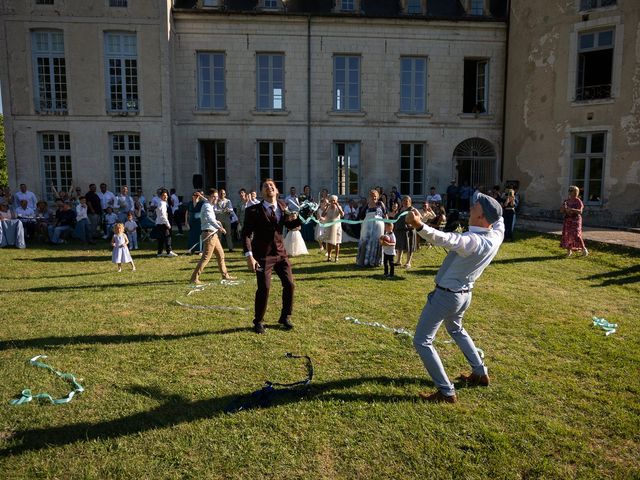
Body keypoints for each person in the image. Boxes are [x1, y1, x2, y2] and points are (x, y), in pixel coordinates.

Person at [405, 192, 504, 403]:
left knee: (422, 341)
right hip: (463, 296)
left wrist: (419, 225)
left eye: (476, 206)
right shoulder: (496, 234)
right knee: (456, 329)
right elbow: (500, 219)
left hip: (446, 297)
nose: (471, 206)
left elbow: (445, 238)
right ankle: (480, 372)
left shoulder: (473, 241)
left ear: (482, 217)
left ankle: (446, 391)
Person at [242, 178, 303, 334]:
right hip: (262, 256)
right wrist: (249, 255)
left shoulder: (283, 206)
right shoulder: (253, 211)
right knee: (264, 288)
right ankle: (258, 321)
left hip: (281, 253)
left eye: (272, 186)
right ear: (262, 192)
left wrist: (297, 220)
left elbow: (289, 226)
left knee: (289, 284)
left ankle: (285, 317)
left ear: (276, 191)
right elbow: (246, 235)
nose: (269, 187)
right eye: (265, 186)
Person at [190, 189, 235, 284]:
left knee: (221, 254)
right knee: (206, 257)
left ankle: (225, 275)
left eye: (216, 197)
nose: (216, 198)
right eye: (214, 197)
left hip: (213, 234)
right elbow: (210, 219)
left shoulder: (208, 204)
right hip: (209, 234)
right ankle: (194, 278)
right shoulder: (207, 206)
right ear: (210, 197)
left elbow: (206, 200)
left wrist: (217, 222)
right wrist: (220, 228)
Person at [356, 189, 387, 267]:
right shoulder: (367, 205)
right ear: (369, 197)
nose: (374, 198)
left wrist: (387, 224)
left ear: (378, 196)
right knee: (366, 241)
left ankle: (376, 261)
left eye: (375, 196)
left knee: (377, 241)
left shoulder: (380, 204)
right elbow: (361, 216)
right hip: (367, 227)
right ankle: (363, 261)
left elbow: (385, 215)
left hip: (378, 227)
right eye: (372, 196)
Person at [560, 186, 588, 257]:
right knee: (567, 235)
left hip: (575, 220)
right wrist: (563, 208)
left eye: (571, 190)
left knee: (576, 235)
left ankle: (584, 249)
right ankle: (569, 251)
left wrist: (571, 209)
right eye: (569, 190)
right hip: (567, 219)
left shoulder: (578, 201)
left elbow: (580, 211)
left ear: (576, 192)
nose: (569, 192)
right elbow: (561, 211)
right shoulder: (566, 201)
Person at [394, 196, 417, 269]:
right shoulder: (401, 209)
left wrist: (412, 224)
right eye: (403, 201)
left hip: (409, 231)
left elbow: (419, 217)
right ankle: (398, 261)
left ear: (410, 202)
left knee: (409, 246)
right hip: (400, 230)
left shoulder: (413, 209)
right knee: (400, 246)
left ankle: (408, 262)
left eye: (406, 201)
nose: (404, 202)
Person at [320, 194, 344, 262]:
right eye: (331, 201)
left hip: (337, 226)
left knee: (337, 242)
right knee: (329, 242)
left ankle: (336, 257)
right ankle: (329, 257)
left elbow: (342, 214)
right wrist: (327, 207)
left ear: (336, 201)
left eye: (334, 201)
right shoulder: (328, 207)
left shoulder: (339, 207)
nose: (332, 202)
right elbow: (322, 215)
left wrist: (338, 206)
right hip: (329, 226)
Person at [155, 190, 178, 257]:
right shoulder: (162, 203)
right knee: (167, 237)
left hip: (159, 223)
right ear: (161, 196)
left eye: (166, 195)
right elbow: (163, 215)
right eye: (164, 195)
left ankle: (160, 252)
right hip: (163, 223)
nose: (166, 197)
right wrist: (167, 223)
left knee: (161, 238)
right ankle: (169, 251)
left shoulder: (161, 202)